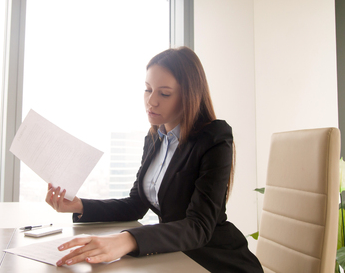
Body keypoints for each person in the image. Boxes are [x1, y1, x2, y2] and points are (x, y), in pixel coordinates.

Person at [46, 46, 263, 272]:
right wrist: (79, 205)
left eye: (164, 93)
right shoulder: (154, 140)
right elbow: (135, 205)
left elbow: (198, 226)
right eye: (148, 90)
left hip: (215, 260)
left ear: (189, 95)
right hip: (172, 256)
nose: (151, 101)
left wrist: (127, 239)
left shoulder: (214, 138)